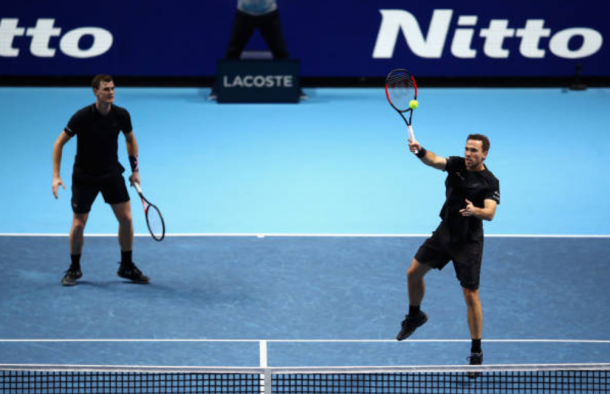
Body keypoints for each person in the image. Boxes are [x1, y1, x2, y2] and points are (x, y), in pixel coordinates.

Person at [396, 134, 500, 367]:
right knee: (413, 273)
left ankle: (476, 350)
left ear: (484, 154)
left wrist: (476, 211)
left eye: (474, 150)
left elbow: (491, 213)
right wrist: (420, 150)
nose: (468, 154)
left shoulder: (489, 181)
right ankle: (415, 316)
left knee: (470, 295)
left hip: (468, 242)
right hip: (445, 234)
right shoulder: (455, 165)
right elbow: (433, 160)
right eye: (466, 149)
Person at [52, 74, 150, 286]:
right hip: (84, 176)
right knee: (78, 224)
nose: (111, 92)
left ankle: (126, 266)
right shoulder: (81, 117)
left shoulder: (122, 115)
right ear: (95, 92)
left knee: (127, 220)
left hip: (111, 173)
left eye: (113, 88)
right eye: (106, 89)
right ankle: (74, 269)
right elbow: (59, 143)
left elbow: (130, 139)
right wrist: (56, 176)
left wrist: (135, 170)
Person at [209, 0, 306, 100]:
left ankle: (295, 89)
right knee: (232, 54)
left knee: (281, 54)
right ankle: (218, 88)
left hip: (269, 14)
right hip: (244, 14)